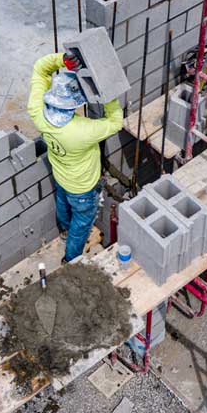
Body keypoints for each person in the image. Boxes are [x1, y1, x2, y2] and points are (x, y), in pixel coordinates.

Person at [27, 52, 123, 262]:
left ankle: (63, 231)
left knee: (63, 203)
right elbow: (116, 122)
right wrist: (109, 94)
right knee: (82, 224)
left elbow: (39, 69)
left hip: (61, 177)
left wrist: (62, 60)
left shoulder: (37, 112)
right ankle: (71, 258)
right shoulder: (82, 130)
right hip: (83, 188)